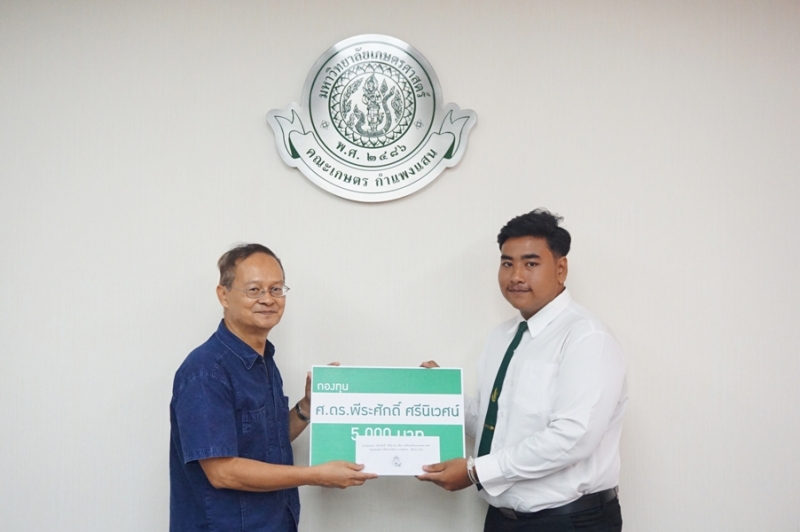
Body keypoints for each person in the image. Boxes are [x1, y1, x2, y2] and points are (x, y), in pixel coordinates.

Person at [418, 209, 628, 531]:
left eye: (531, 264)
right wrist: (443, 396)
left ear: (561, 269)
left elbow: (572, 437)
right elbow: (494, 423)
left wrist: (476, 472)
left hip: (569, 521)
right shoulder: (502, 337)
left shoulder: (586, 337)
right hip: (502, 519)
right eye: (507, 263)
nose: (516, 276)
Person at [170, 244, 376, 532]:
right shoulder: (206, 371)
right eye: (254, 290)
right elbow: (222, 472)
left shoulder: (264, 362)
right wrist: (315, 475)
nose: (268, 299)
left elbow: (266, 441)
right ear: (224, 295)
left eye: (276, 289)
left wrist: (307, 408)